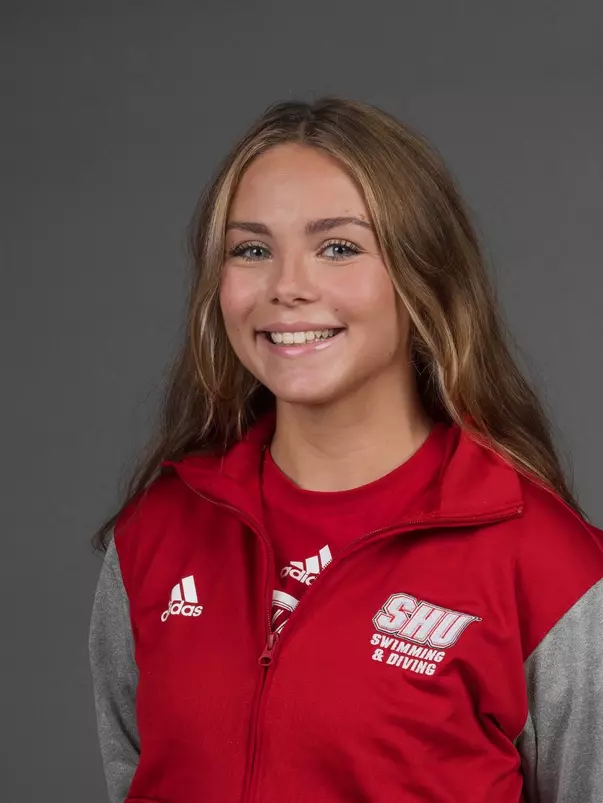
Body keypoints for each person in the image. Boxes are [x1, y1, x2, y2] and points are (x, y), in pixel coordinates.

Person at [88, 96, 603, 803]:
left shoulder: (546, 566)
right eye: (251, 249)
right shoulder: (157, 534)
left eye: (338, 247)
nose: (287, 286)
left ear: (423, 277)